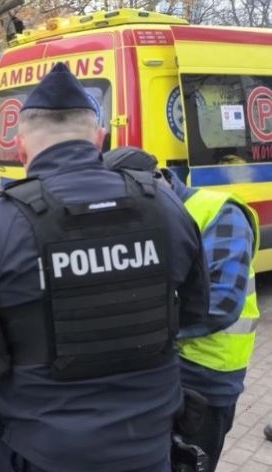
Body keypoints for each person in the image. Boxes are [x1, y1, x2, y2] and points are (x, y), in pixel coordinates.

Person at [0, 63, 210, 472]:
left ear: (20, 148)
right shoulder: (165, 205)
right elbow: (196, 313)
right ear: (99, 138)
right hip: (148, 446)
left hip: (39, 448)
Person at [104, 147, 259, 472]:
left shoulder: (219, 214)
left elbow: (221, 305)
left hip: (205, 375)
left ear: (155, 183)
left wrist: (137, 329)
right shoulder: (145, 212)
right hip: (157, 367)